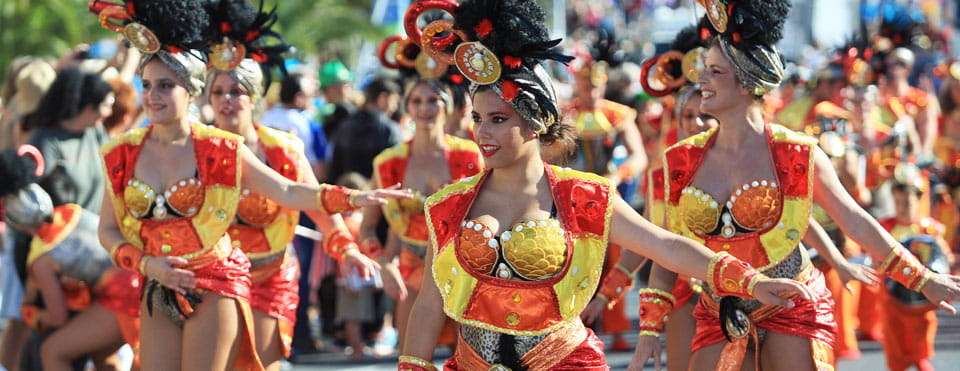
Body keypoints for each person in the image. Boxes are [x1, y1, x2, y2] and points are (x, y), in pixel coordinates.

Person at [398, 0, 817, 369]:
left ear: (536, 122)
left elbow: (666, 246)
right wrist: (413, 367)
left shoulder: (583, 197)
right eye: (477, 118)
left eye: (498, 119)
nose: (482, 132)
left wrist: (751, 281)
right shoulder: (448, 205)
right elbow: (430, 305)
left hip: (564, 362)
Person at [630, 1, 960, 370]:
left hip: (791, 301)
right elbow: (670, 247)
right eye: (705, 70)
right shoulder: (681, 160)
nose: (701, 81)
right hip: (718, 307)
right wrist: (648, 331)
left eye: (715, 71)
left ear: (746, 82)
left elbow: (853, 218)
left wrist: (921, 277)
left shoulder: (795, 153)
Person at [90, 1, 408, 369]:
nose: (152, 95)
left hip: (232, 278)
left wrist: (355, 201)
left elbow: (290, 192)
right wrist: (148, 265)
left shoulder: (227, 149)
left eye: (165, 85)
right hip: (160, 282)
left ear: (191, 92)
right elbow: (109, 230)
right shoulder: (121, 154)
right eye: (146, 85)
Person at [207, 55, 377, 369]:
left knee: (261, 364)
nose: (226, 100)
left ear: (255, 96)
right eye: (218, 92)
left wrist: (346, 250)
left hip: (271, 274)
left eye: (237, 91)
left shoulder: (282, 148)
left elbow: (315, 204)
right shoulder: (197, 147)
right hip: (210, 279)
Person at [360, 37, 483, 355]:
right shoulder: (388, 163)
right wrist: (383, 263)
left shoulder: (471, 157)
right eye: (417, 101)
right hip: (412, 271)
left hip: (464, 269)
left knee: (471, 359)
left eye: (433, 100)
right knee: (412, 357)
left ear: (448, 105)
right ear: (407, 107)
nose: (425, 108)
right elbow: (366, 228)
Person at [2, 145, 141, 371]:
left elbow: (57, 317)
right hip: (142, 277)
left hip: (125, 297)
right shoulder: (71, 211)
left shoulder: (41, 258)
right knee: (100, 355)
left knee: (52, 352)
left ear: (15, 220)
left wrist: (34, 316)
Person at [878, 166, 954, 371]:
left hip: (922, 290)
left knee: (924, 325)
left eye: (908, 202)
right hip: (892, 291)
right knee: (893, 329)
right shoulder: (885, 227)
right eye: (898, 202)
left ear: (918, 201)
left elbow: (942, 255)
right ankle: (898, 364)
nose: (903, 207)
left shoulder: (930, 228)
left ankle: (920, 358)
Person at [327, 77, 403, 183]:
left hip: (345, 195)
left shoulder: (344, 124)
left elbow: (333, 168)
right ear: (383, 98)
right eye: (394, 101)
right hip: (379, 196)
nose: (394, 108)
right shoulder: (390, 129)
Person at [317, 60, 356, 140]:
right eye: (345, 84)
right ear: (331, 89)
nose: (349, 87)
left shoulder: (318, 113)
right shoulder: (325, 115)